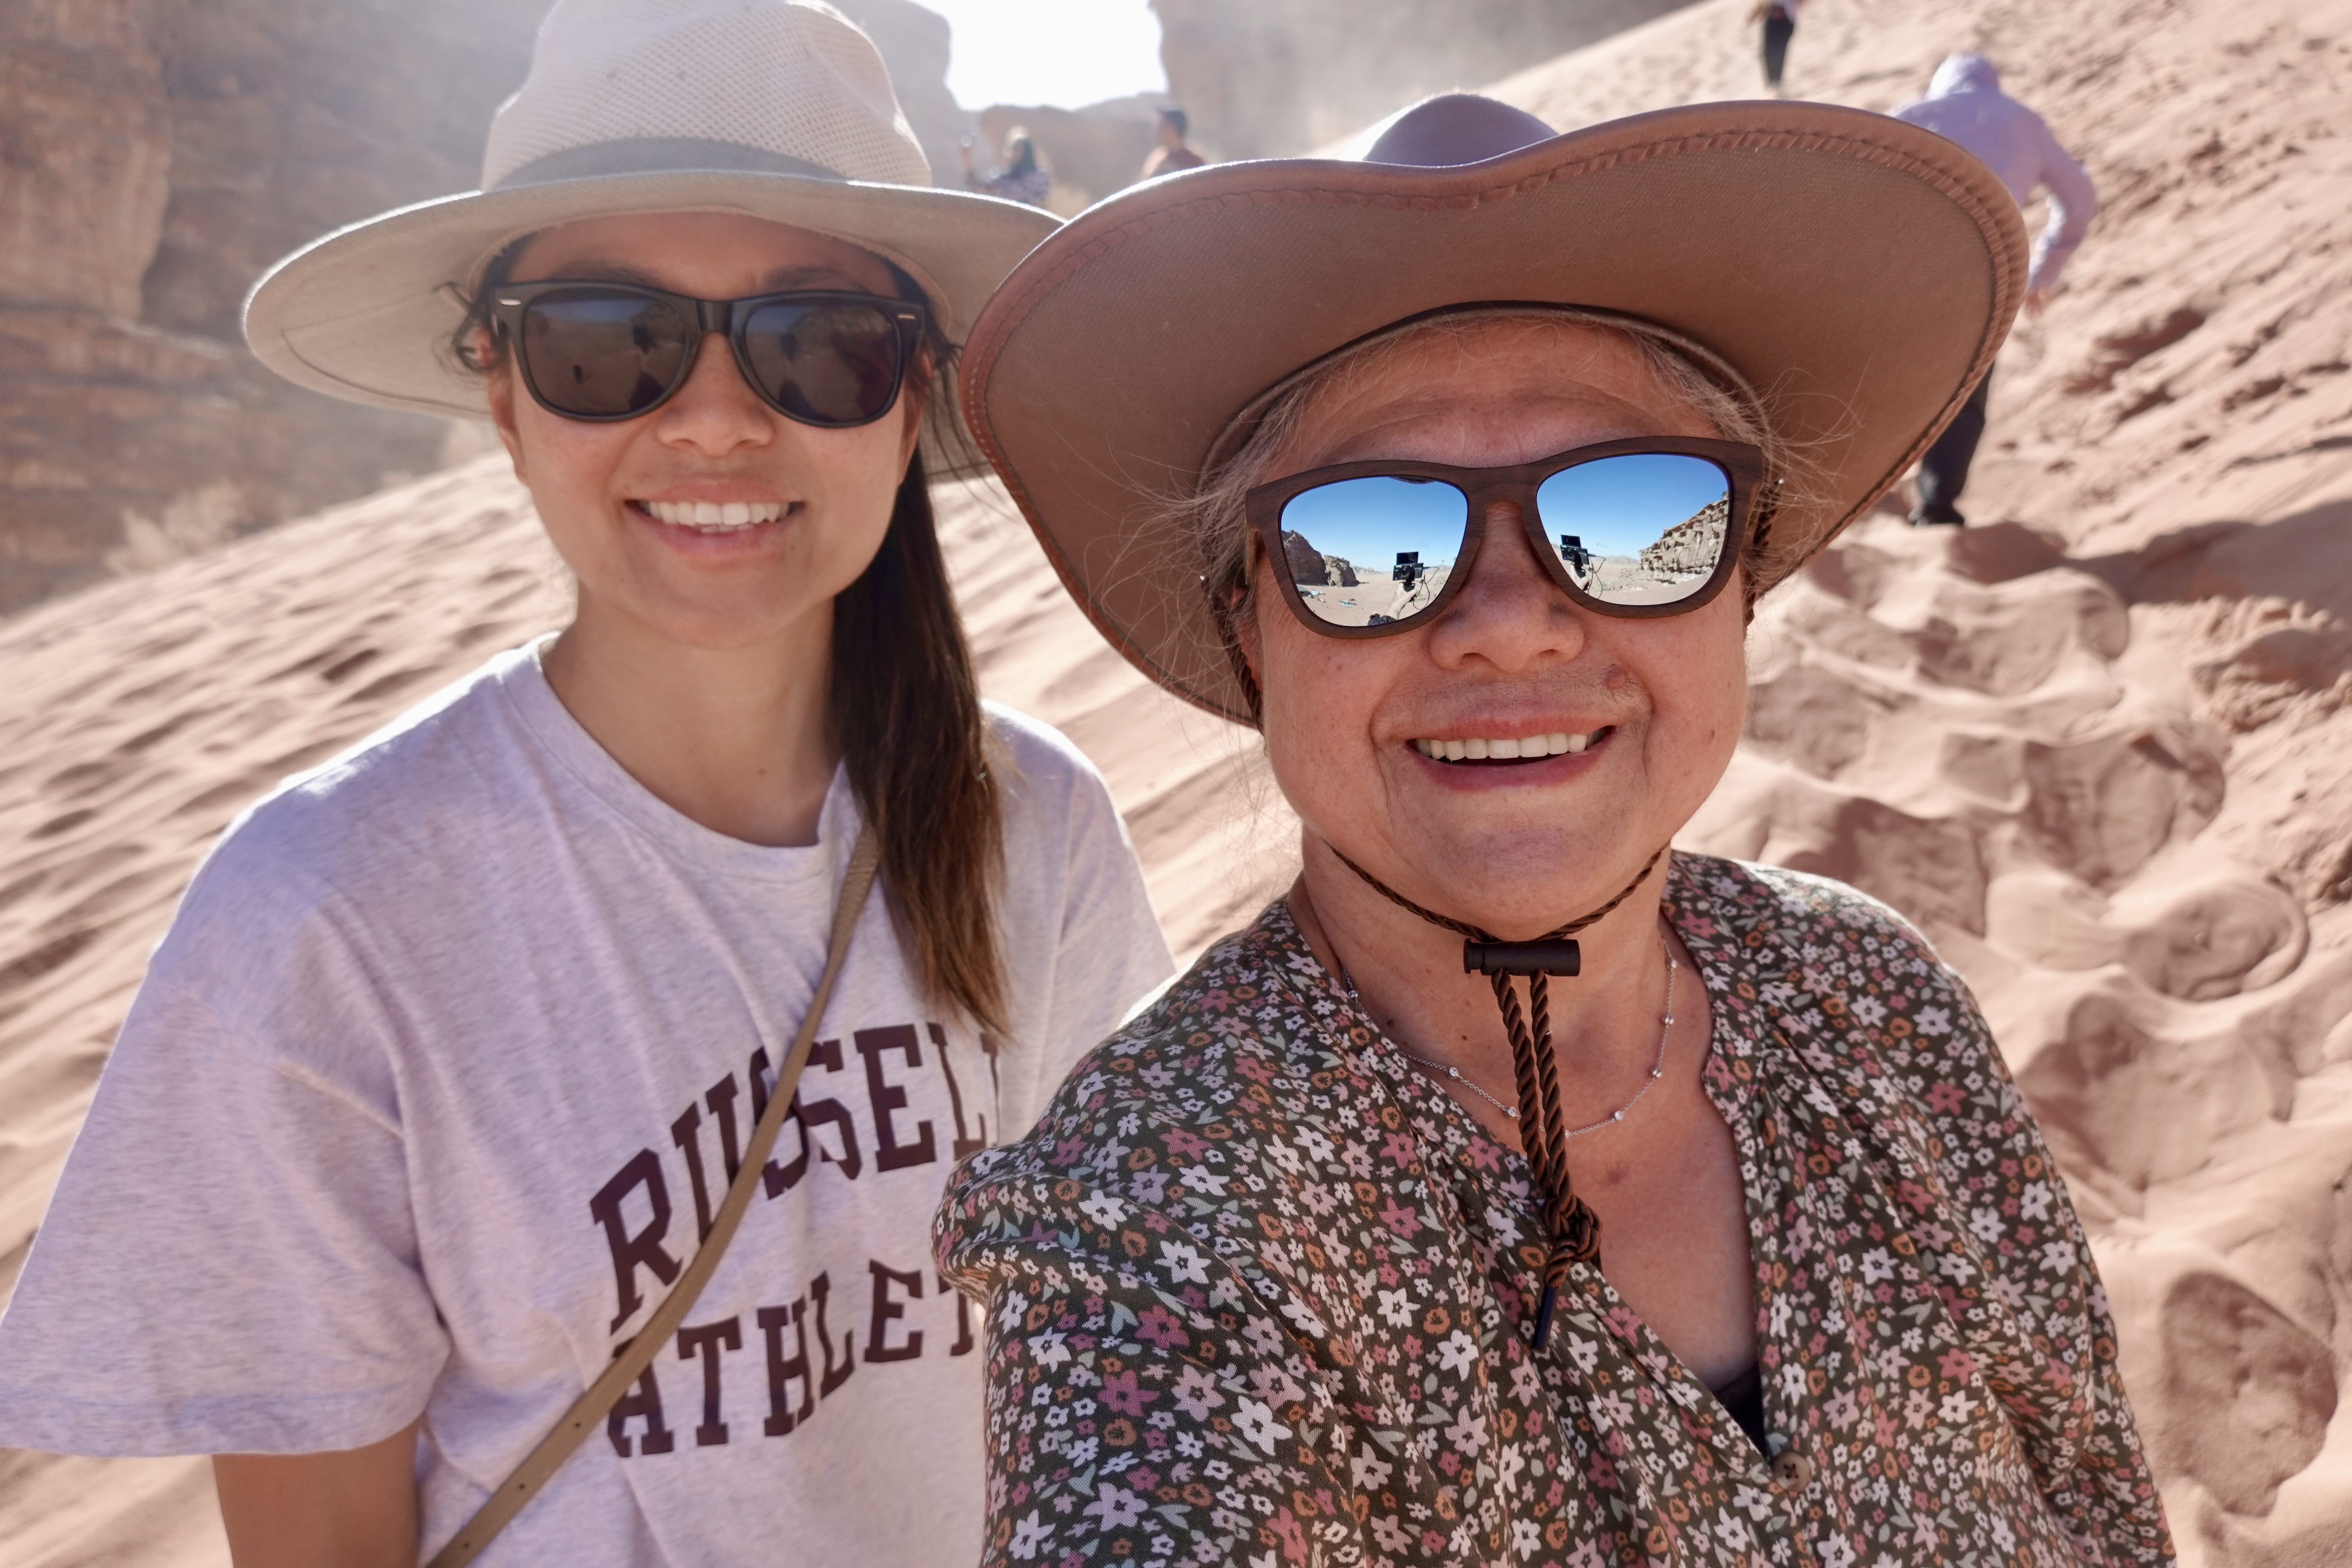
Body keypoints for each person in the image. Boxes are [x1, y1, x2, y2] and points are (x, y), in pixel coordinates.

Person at [0, 3, 1173, 1565]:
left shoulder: (1043, 832)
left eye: (819, 341)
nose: (715, 419)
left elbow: (1116, 1378)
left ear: (907, 400)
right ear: (503, 392)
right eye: (604, 339)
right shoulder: (323, 916)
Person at [934, 93, 2176, 1565]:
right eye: (1372, 537)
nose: (1512, 624)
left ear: (1740, 579)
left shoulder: (1871, 995)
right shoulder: (1147, 1231)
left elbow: (2101, 1503)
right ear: (1246, 621)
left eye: (1638, 514)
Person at [1895, 53, 2098, 526]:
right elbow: (2081, 199)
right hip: (1986, 270)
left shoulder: (1914, 113)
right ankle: (1937, 506)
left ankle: (1849, 488)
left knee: (1881, 375)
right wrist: (2044, 272)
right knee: (1965, 391)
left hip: (1903, 267)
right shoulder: (2025, 122)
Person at [961, 126, 1053, 208]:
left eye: (1019, 148)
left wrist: (1002, 192)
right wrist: (968, 166)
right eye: (1013, 148)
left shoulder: (1039, 175)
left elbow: (1031, 198)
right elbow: (982, 189)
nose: (1015, 152)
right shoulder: (1003, 177)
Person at [1140, 106, 1206, 180]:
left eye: (1160, 127)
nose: (1156, 132)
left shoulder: (1193, 161)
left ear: (1172, 130)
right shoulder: (1156, 158)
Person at [1748, 0, 1799, 95]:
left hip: (1786, 22)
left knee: (1780, 52)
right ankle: (1771, 83)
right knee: (1767, 52)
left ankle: (1777, 82)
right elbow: (1763, 4)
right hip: (1771, 21)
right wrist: (1753, 16)